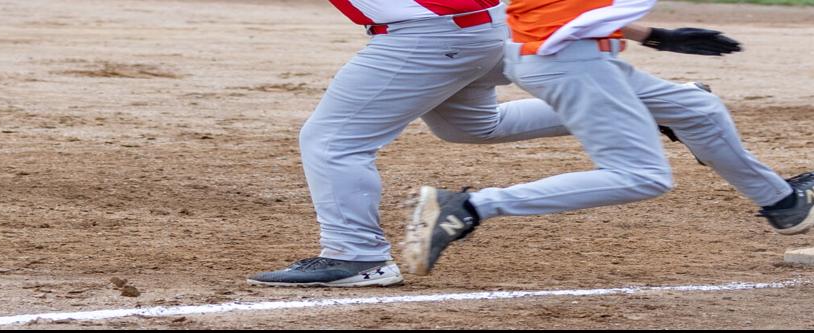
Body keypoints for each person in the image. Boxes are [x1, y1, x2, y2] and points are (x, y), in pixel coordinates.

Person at [250, 0, 735, 288]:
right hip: (491, 26)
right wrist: (647, 33)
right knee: (469, 126)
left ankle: (356, 257)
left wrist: (644, 32)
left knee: (333, 140)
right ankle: (664, 106)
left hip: (430, 36)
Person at [403, 0, 814, 277]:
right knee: (643, 176)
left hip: (569, 54)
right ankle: (469, 208)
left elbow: (573, 10)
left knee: (697, 108)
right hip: (570, 64)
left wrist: (657, 36)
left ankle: (782, 202)